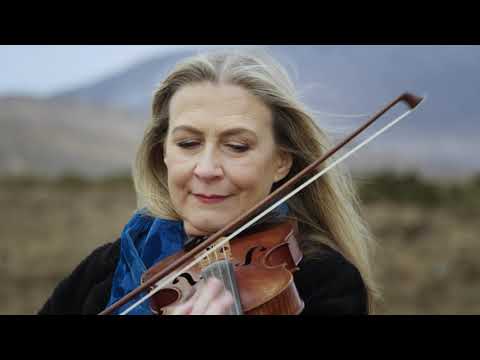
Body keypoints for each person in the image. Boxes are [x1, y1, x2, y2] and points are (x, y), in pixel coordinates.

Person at [38, 49, 380, 315]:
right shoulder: (109, 266)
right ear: (163, 155)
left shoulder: (321, 282)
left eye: (237, 146)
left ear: (281, 162)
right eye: (188, 144)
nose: (206, 169)